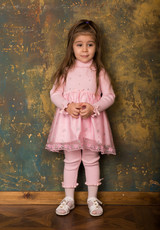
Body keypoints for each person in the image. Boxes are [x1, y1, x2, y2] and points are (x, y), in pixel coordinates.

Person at [45, 19, 116, 216]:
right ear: (72, 47)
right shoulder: (66, 71)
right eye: (80, 44)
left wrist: (95, 107)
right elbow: (54, 94)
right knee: (71, 160)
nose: (85, 50)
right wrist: (67, 106)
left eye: (90, 44)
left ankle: (92, 198)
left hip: (92, 123)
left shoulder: (99, 71)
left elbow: (110, 96)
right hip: (69, 124)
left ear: (96, 47)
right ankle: (68, 198)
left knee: (92, 159)